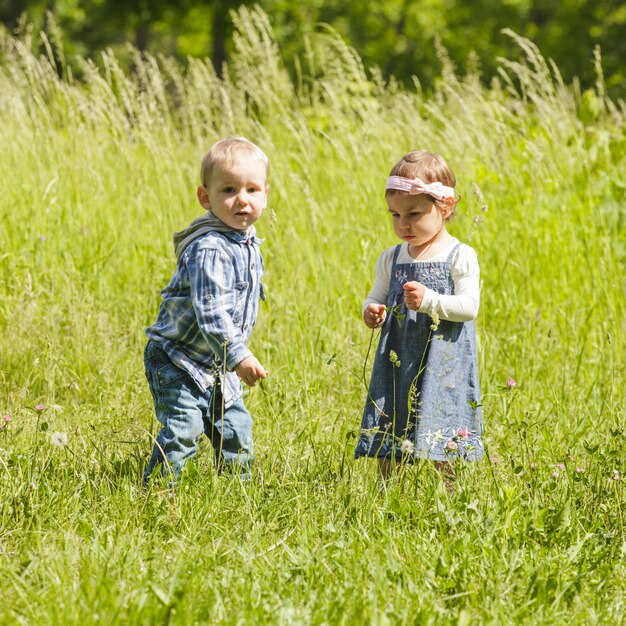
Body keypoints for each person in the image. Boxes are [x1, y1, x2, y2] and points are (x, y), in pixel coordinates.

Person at [142, 136, 269, 487]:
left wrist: (231, 358)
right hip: (179, 359)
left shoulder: (247, 241)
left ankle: (237, 494)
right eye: (229, 190)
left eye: (252, 189)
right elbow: (211, 313)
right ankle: (157, 495)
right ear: (205, 198)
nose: (242, 199)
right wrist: (240, 356)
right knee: (184, 430)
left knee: (235, 430)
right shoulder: (210, 248)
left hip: (216, 362)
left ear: (265, 195)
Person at [354, 150, 483, 479]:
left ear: (446, 207)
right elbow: (377, 294)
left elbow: (469, 307)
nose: (403, 224)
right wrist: (372, 310)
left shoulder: (459, 255)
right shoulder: (392, 257)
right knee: (392, 417)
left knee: (444, 419)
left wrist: (430, 300)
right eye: (394, 215)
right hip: (398, 356)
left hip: (444, 359)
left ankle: (450, 495)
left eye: (413, 213)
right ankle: (387, 493)